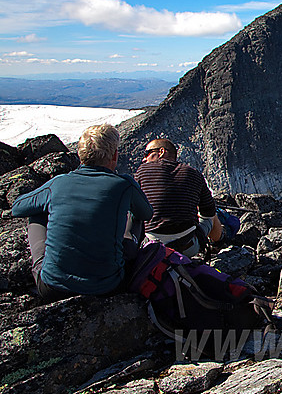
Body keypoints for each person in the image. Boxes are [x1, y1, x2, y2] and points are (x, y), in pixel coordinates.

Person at [11, 124, 153, 301]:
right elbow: (146, 214)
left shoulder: (58, 184)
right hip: (108, 286)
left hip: (53, 287)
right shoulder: (124, 185)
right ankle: (128, 257)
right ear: (115, 155)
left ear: (80, 154)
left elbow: (18, 207)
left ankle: (42, 264)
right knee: (136, 215)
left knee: (36, 212)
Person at [134, 138, 222, 257]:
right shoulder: (194, 173)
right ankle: (218, 241)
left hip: (153, 249)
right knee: (212, 215)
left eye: (147, 153)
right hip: (189, 247)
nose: (144, 159)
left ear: (161, 152)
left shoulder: (142, 171)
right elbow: (208, 211)